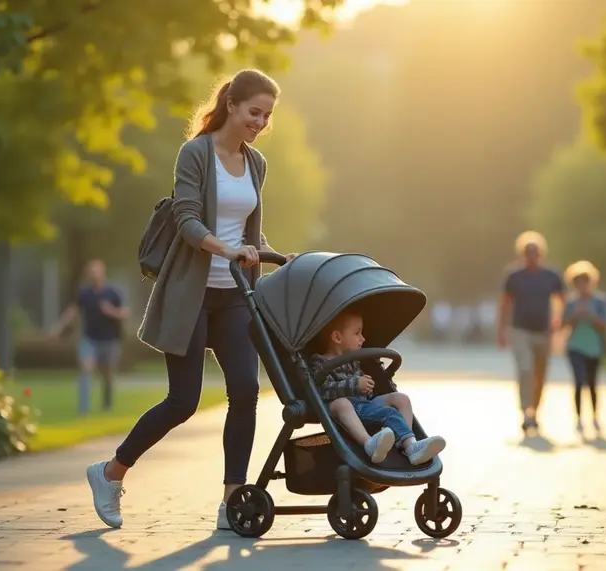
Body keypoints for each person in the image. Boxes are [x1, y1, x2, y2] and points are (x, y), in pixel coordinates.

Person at [84, 69, 297, 531]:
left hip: (237, 295)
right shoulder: (195, 153)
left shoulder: (255, 163)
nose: (260, 122)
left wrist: (276, 255)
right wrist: (227, 250)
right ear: (232, 105)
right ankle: (110, 473)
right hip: (192, 292)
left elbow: (248, 230)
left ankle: (231, 500)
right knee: (183, 400)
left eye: (267, 116)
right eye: (254, 112)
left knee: (245, 391)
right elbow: (187, 219)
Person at [307, 310, 446, 465]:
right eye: (357, 333)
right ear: (337, 337)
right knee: (342, 404)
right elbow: (323, 391)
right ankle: (369, 444)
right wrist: (356, 385)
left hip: (364, 406)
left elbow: (365, 394)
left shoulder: (354, 360)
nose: (363, 338)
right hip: (343, 411)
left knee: (401, 399)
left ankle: (409, 445)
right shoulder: (320, 362)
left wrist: (367, 386)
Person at [497, 231, 565, 434]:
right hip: (520, 330)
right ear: (522, 254)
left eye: (535, 252)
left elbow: (562, 300)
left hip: (543, 331)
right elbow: (505, 304)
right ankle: (526, 412)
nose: (532, 256)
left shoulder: (551, 276)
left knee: (540, 373)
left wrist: (558, 321)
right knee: (525, 370)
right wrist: (501, 331)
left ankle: (535, 411)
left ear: (541, 253)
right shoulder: (514, 276)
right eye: (528, 252)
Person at [49, 259, 129, 414]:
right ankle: (83, 408)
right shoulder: (84, 293)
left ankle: (107, 403)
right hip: (89, 339)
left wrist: (111, 311)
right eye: (90, 272)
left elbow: (125, 313)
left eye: (96, 271)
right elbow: (72, 311)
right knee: (85, 369)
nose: (93, 275)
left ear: (103, 273)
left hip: (110, 340)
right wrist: (58, 329)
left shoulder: (113, 292)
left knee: (107, 374)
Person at [560, 261, 606, 435]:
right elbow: (562, 324)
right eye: (577, 283)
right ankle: (579, 418)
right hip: (575, 346)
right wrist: (575, 316)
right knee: (579, 380)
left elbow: (604, 325)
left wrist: (590, 316)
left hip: (594, 347)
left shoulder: (600, 301)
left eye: (584, 282)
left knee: (592, 382)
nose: (581, 286)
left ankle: (595, 416)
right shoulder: (571, 303)